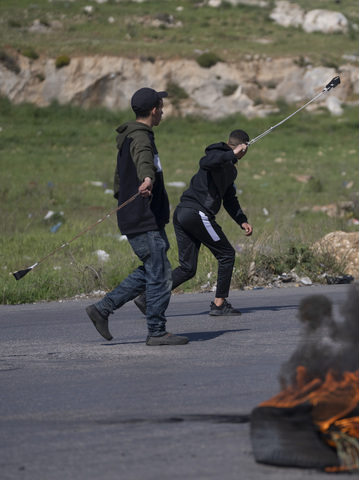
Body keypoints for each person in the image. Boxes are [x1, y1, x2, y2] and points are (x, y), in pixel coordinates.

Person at [86, 87, 188, 346]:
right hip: (142, 217)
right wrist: (147, 179)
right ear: (154, 110)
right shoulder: (141, 138)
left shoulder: (130, 136)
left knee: (155, 268)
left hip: (141, 215)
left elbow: (119, 181)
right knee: (161, 274)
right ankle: (156, 331)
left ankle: (102, 310)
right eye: (161, 106)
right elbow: (145, 162)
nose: (163, 110)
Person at [134, 129, 253, 317]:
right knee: (227, 254)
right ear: (242, 148)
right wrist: (231, 154)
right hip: (196, 213)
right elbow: (205, 162)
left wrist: (242, 220)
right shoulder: (217, 154)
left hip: (184, 214)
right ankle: (219, 305)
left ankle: (147, 298)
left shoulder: (230, 169)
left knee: (187, 269)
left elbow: (229, 198)